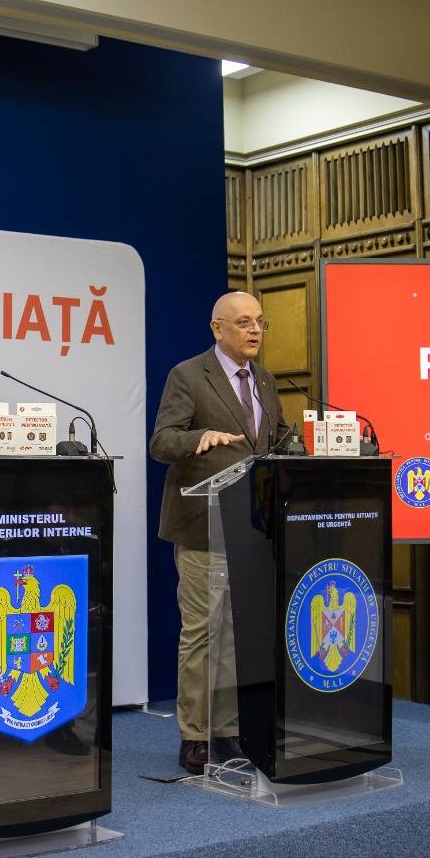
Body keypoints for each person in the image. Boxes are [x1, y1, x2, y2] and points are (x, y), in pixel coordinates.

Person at [149, 291, 283, 774]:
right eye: (244, 322)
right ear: (217, 328)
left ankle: (227, 732)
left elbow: (273, 444)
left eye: (260, 322)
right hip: (203, 525)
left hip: (252, 530)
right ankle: (195, 735)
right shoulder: (189, 375)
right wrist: (198, 438)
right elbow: (161, 442)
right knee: (204, 634)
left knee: (235, 636)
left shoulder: (265, 380)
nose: (255, 330)